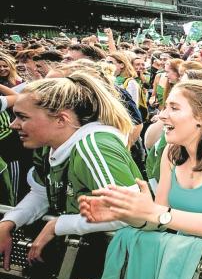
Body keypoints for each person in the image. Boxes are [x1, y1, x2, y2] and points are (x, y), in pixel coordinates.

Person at [80, 79, 202, 246]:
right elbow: (158, 222)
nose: (162, 115)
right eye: (165, 107)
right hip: (183, 258)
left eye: (174, 108)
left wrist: (157, 212)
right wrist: (126, 213)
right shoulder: (171, 152)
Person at [0, 71, 141, 266]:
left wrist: (58, 225)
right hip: (80, 257)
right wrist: (9, 221)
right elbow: (42, 192)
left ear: (61, 119)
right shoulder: (48, 146)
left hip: (115, 264)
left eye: (22, 117)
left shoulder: (94, 146)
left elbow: (130, 212)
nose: (14, 124)